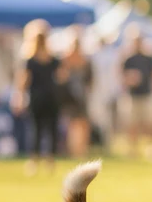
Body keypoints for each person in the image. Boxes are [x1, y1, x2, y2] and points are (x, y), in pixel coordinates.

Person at [14, 20, 61, 175]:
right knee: (49, 130)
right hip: (50, 97)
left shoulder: (30, 60)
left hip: (37, 97)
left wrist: (19, 97)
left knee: (36, 130)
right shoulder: (53, 59)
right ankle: (50, 161)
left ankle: (34, 161)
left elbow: (23, 81)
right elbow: (61, 77)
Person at [120, 26, 152, 160]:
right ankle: (133, 150)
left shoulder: (149, 59)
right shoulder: (128, 59)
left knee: (150, 124)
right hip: (133, 96)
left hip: (147, 94)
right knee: (132, 124)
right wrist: (130, 80)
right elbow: (122, 77)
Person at [59, 26, 94, 160]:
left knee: (83, 123)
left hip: (81, 96)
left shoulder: (86, 61)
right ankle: (71, 150)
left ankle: (81, 150)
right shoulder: (64, 60)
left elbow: (90, 80)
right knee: (70, 124)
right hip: (68, 97)